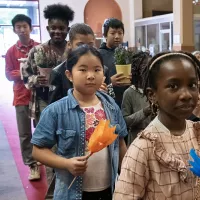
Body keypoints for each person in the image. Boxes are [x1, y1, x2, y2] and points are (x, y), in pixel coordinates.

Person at [31, 45, 128, 200]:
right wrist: (66, 163)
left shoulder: (111, 105)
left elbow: (120, 142)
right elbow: (37, 151)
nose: (90, 76)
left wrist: (127, 178)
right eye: (83, 70)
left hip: (109, 190)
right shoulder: (56, 111)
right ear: (69, 75)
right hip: (72, 193)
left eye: (97, 70)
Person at [114, 51, 200, 200]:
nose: (186, 94)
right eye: (173, 86)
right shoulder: (143, 149)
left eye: (192, 85)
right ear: (152, 95)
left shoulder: (196, 134)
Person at [22, 3, 74, 124]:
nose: (57, 31)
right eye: (53, 28)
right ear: (47, 29)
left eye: (61, 28)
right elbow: (25, 77)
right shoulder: (37, 51)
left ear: (68, 29)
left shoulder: (74, 51)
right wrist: (36, 80)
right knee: (47, 138)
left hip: (70, 101)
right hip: (44, 101)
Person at [5, 14, 40, 180]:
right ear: (14, 30)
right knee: (25, 133)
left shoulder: (40, 48)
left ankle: (45, 159)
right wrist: (23, 72)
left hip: (40, 95)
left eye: (24, 26)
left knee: (42, 129)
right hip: (21, 96)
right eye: (18, 27)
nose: (22, 29)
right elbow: (8, 74)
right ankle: (32, 164)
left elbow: (46, 68)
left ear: (30, 28)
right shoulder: (11, 51)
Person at [48, 23, 114, 104]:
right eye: (80, 45)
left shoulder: (103, 69)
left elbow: (111, 100)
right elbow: (53, 106)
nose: (86, 49)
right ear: (69, 45)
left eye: (90, 45)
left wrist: (103, 93)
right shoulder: (58, 72)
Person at [121, 52, 153, 146]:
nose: (148, 69)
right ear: (136, 70)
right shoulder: (129, 93)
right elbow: (125, 121)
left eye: (150, 66)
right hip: (137, 140)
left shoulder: (155, 89)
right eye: (144, 66)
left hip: (156, 137)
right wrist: (144, 112)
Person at [99, 18, 130, 107]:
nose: (117, 36)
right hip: (106, 101)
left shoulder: (126, 54)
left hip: (125, 100)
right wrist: (110, 81)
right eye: (112, 33)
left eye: (120, 33)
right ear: (105, 35)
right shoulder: (98, 55)